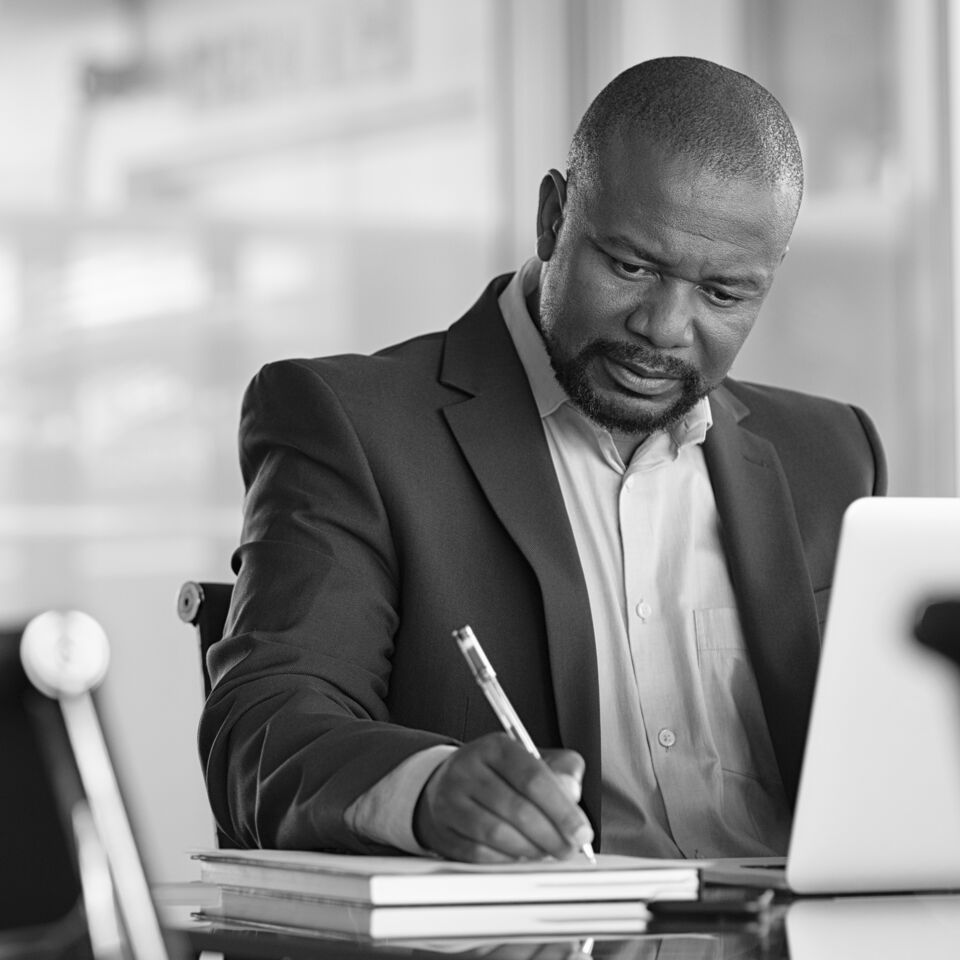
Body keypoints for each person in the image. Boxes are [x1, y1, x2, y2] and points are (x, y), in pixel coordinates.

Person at [199, 56, 886, 863]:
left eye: (723, 293)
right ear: (553, 217)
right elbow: (265, 726)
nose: (664, 327)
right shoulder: (354, 426)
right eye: (632, 266)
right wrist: (427, 790)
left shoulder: (831, 456)